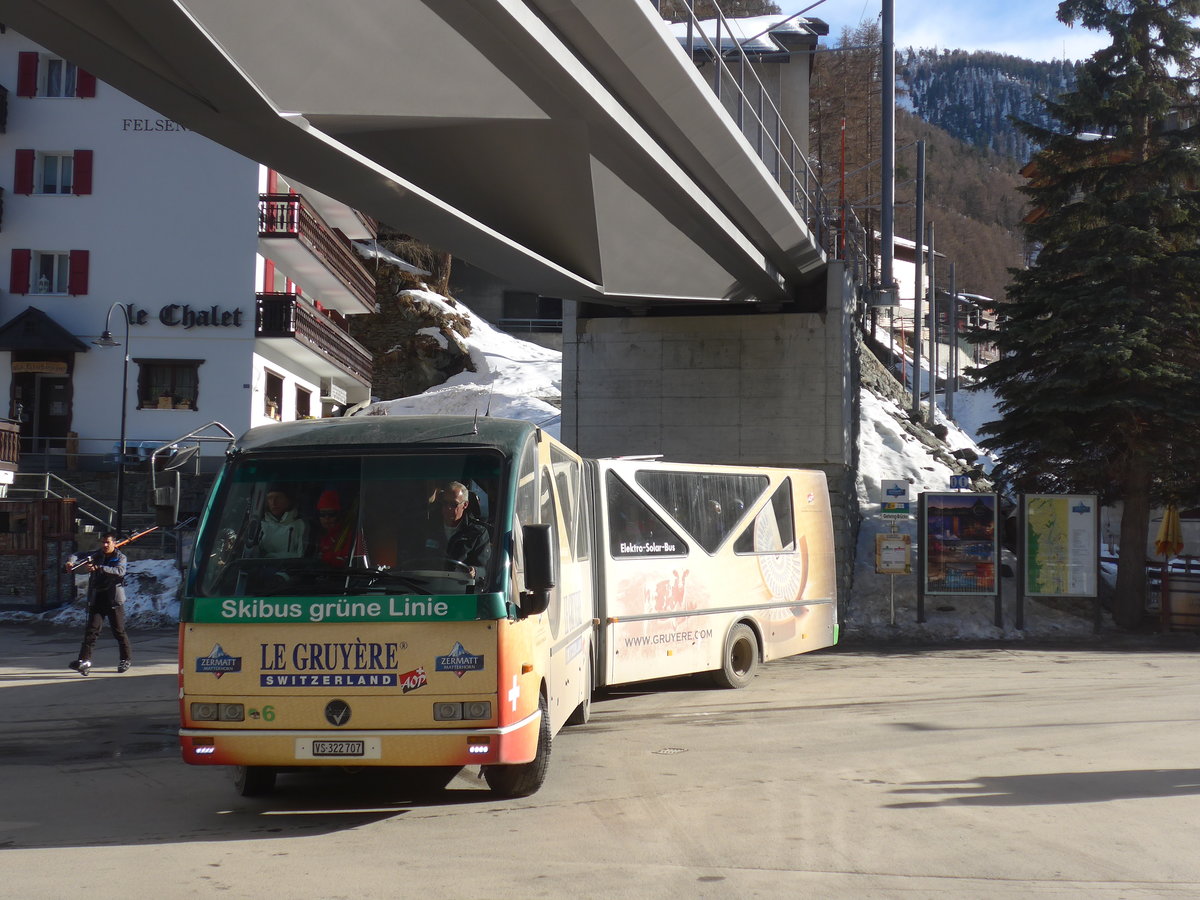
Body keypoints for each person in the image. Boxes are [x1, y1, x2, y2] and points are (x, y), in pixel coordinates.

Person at [66, 532, 132, 675]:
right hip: (98, 598)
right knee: (91, 632)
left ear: (114, 543)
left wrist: (99, 567)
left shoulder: (120, 557)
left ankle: (125, 659)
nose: (105, 545)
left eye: (108, 542)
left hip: (114, 599)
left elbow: (120, 571)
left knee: (119, 632)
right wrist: (70, 561)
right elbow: (78, 554)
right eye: (103, 542)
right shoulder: (96, 554)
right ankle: (84, 661)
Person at [422, 481, 491, 585]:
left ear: (465, 505)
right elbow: (414, 561)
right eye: (445, 503)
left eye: (453, 504)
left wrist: (474, 571)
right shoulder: (428, 529)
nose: (448, 508)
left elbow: (485, 570)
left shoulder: (477, 533)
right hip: (426, 590)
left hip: (461, 591)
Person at [258, 483, 307, 558]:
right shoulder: (259, 525)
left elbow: (303, 557)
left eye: (279, 497)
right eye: (270, 498)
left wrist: (270, 557)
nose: (273, 502)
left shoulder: (301, 525)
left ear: (289, 500)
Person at [315, 489, 353, 567]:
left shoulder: (348, 536)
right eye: (322, 514)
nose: (327, 518)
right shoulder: (316, 535)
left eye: (331, 514)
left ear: (339, 514)